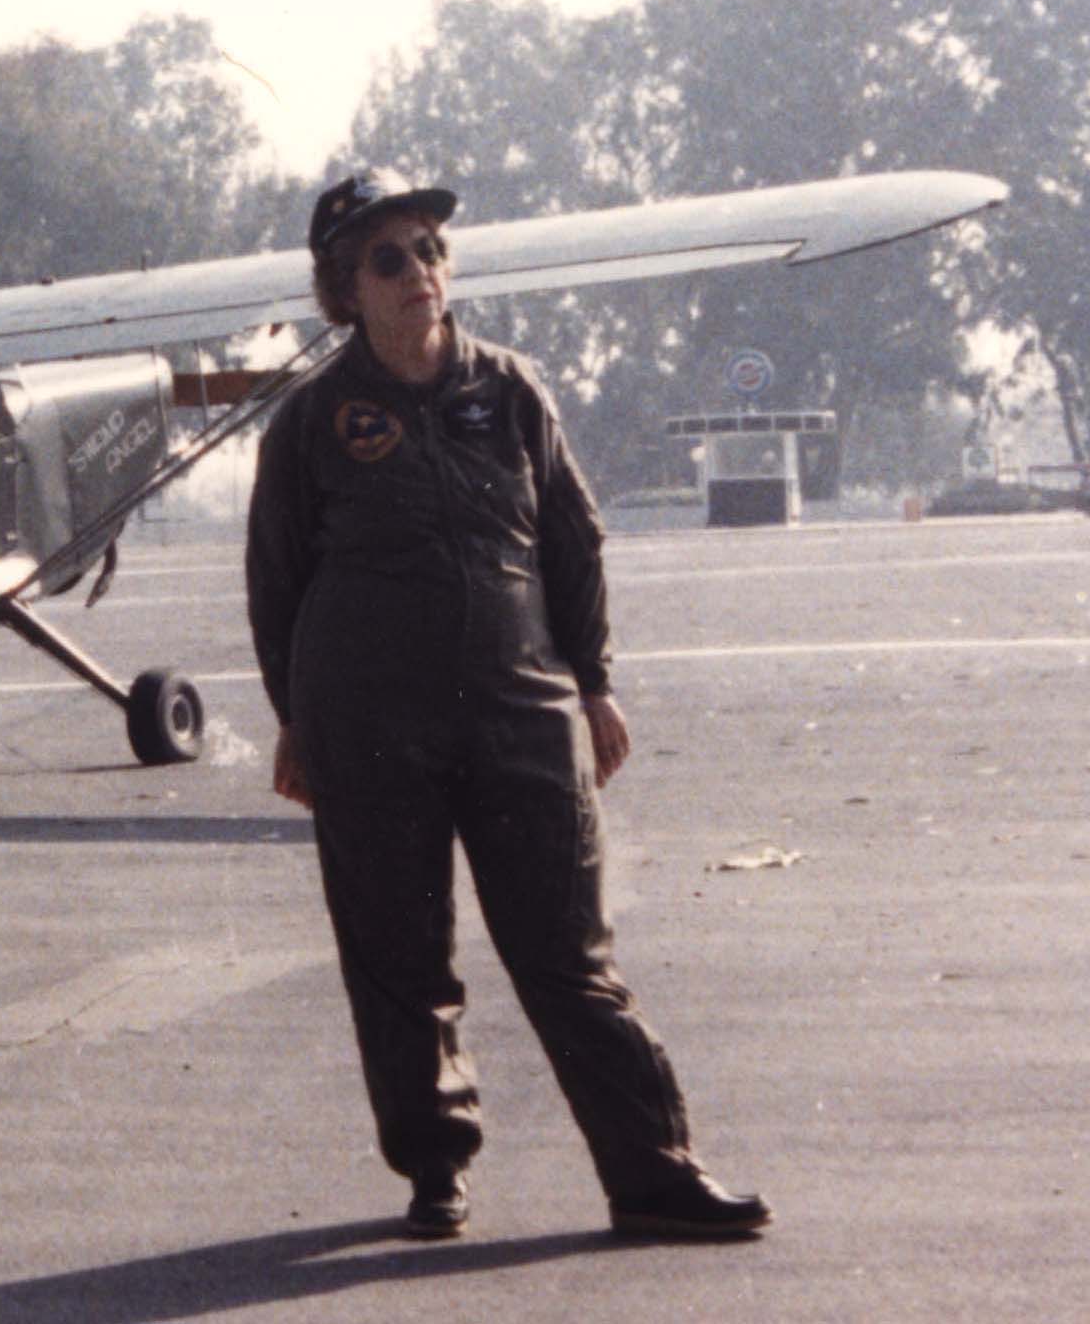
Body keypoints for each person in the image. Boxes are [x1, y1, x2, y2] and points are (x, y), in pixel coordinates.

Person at [245, 170, 771, 1242]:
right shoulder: (309, 424)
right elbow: (277, 582)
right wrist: (293, 720)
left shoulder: (513, 391)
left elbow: (574, 544)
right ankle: (436, 1169)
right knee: (399, 958)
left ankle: (654, 1172)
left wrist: (594, 681)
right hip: (369, 725)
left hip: (521, 712)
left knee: (571, 955)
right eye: (388, 259)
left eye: (431, 248)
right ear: (344, 288)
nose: (420, 273)